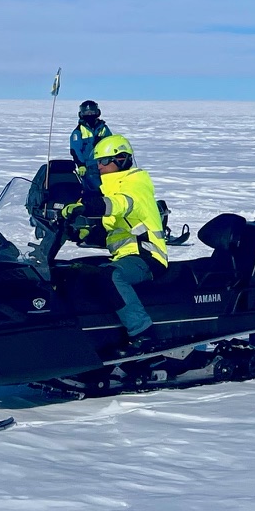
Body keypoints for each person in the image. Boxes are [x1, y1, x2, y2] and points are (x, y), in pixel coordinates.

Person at [82, 133, 169, 354]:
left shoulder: (135, 184)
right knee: (79, 271)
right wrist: (81, 230)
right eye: (97, 163)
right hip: (125, 256)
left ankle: (144, 335)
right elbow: (113, 225)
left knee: (110, 276)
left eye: (103, 161)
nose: (99, 167)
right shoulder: (112, 188)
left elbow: (121, 204)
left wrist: (90, 206)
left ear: (121, 160)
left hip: (148, 257)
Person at [68, 100, 111, 185]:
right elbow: (75, 150)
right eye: (87, 112)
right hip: (89, 167)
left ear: (97, 112)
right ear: (82, 114)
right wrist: (81, 165)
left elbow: (112, 143)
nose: (90, 114)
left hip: (105, 165)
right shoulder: (79, 131)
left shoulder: (103, 129)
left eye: (92, 111)